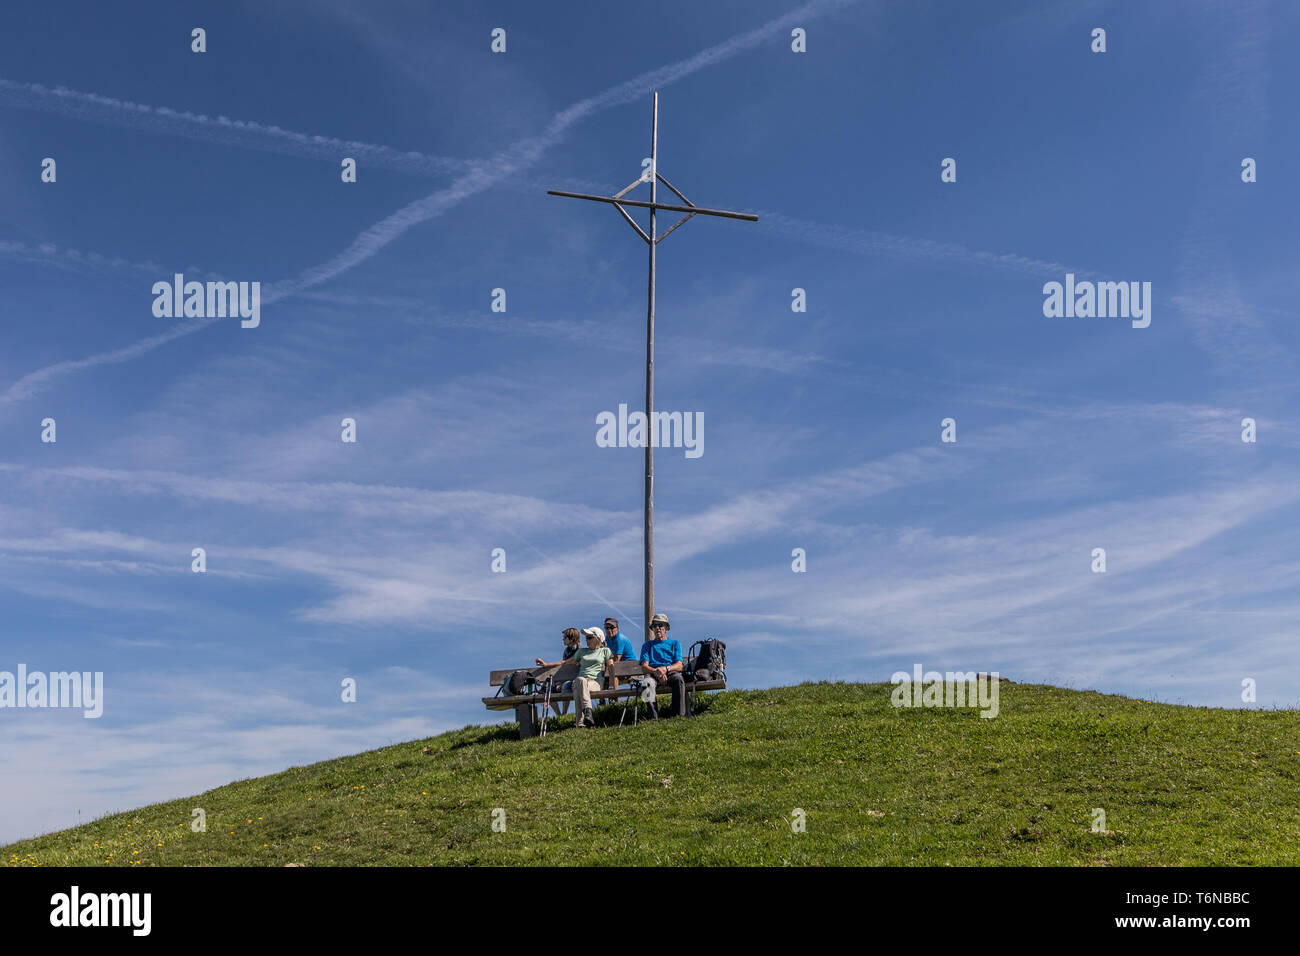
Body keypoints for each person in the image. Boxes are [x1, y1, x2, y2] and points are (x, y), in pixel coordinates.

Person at [639, 612, 687, 719]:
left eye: (660, 625)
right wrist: (657, 671)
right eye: (655, 626)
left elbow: (679, 665)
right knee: (646, 683)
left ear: (666, 628)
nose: (658, 628)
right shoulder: (647, 645)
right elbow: (644, 667)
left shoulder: (675, 643)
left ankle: (678, 715)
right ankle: (653, 717)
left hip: (670, 672)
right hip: (653, 673)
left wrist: (665, 669)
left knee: (679, 679)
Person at [570, 626, 612, 728]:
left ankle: (579, 722)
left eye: (589, 637)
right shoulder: (581, 652)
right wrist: (547, 665)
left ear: (598, 638)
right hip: (580, 681)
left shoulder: (605, 651)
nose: (587, 640)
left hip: (596, 682)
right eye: (586, 638)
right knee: (580, 681)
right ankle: (588, 712)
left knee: (578, 688)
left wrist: (611, 684)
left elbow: (611, 666)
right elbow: (570, 662)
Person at [535, 628, 580, 716]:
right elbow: (564, 668)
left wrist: (546, 665)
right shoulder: (567, 651)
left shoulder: (579, 650)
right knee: (547, 690)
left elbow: (564, 663)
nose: (563, 639)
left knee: (565, 687)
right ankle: (559, 715)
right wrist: (560, 682)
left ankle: (564, 713)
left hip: (576, 680)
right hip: (565, 679)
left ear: (571, 639)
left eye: (565, 637)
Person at [602, 617, 636, 691]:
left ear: (617, 628)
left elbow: (617, 659)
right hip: (618, 666)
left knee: (614, 676)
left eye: (611, 627)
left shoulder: (620, 639)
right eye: (606, 628)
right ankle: (603, 701)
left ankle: (614, 701)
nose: (609, 630)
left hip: (630, 666)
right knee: (603, 677)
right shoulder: (607, 639)